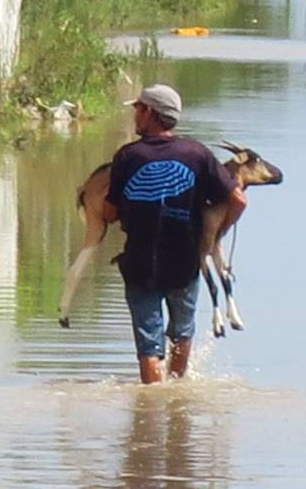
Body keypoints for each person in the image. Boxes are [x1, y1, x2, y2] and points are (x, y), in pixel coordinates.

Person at [102, 84, 247, 384]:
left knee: (149, 347)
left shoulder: (128, 157)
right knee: (182, 334)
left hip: (140, 260)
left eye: (138, 109)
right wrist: (219, 231)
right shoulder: (197, 154)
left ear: (151, 113)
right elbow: (238, 200)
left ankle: (152, 410)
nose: (135, 116)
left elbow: (109, 212)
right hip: (185, 260)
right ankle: (177, 401)